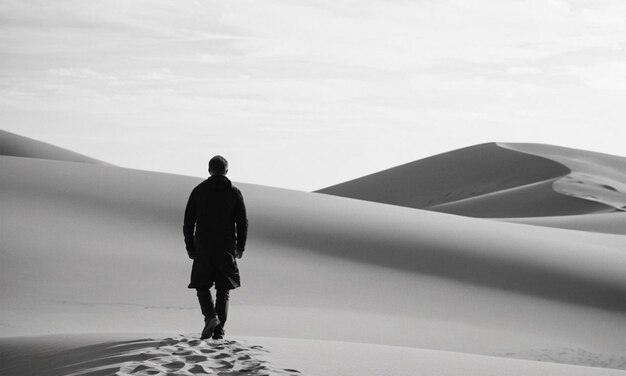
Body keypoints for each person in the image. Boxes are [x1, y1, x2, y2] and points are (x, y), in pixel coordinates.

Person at [183, 155, 248, 340]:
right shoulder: (234, 193)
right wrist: (240, 246)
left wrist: (190, 246)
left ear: (209, 170)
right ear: (226, 171)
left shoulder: (198, 191)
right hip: (226, 248)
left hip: (203, 247)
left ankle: (211, 317)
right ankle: (219, 331)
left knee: (201, 285)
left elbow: (188, 222)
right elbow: (242, 222)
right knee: (223, 289)